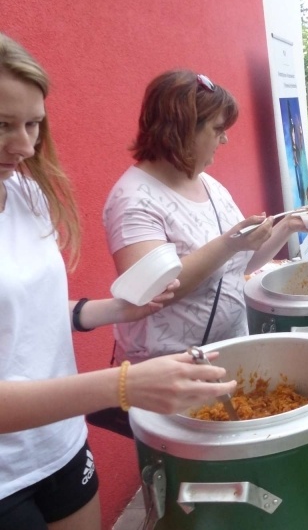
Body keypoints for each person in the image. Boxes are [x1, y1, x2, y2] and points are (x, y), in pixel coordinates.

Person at [0, 33, 236, 530]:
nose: (23, 146)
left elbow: (26, 312)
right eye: (2, 125)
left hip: (59, 444)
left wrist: (112, 309)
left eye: (34, 124)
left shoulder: (22, 189)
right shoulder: (134, 197)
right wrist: (123, 384)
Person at [104, 70, 308, 363]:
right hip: (167, 372)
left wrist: (290, 225)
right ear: (183, 130)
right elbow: (151, 292)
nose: (224, 139)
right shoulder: (133, 199)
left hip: (229, 355)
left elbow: (240, 262)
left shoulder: (207, 183)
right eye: (217, 129)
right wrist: (229, 244)